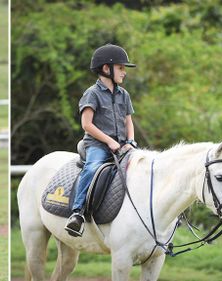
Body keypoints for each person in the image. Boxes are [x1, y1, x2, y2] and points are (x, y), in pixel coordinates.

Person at [64, 44, 137, 237]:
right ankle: (77, 213)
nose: (124, 73)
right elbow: (86, 124)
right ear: (107, 69)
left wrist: (130, 141)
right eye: (121, 68)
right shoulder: (92, 93)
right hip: (97, 145)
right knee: (92, 167)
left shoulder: (124, 95)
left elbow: (128, 121)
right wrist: (109, 141)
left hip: (122, 146)